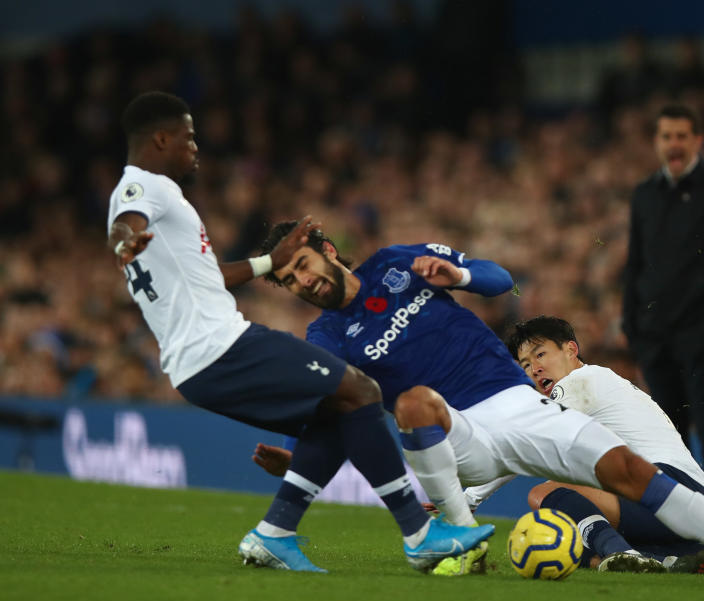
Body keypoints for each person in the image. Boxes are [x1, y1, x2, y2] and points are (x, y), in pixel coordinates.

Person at [252, 221, 704, 587]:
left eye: (302, 266)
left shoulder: (396, 263)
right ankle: (459, 540)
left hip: (523, 407)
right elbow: (341, 410)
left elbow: (499, 279)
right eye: (287, 282)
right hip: (460, 434)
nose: (302, 283)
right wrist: (301, 456)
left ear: (326, 249)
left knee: (633, 471)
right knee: (415, 402)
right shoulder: (326, 338)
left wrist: (458, 272)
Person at [106, 91, 493, 574]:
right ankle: (419, 535)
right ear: (160, 138)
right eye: (188, 137)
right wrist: (125, 238)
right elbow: (127, 221)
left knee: (337, 411)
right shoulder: (146, 188)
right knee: (361, 389)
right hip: (222, 346)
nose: (194, 147)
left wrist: (272, 260)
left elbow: (206, 276)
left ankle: (275, 534)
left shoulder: (148, 194)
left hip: (195, 364)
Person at [494, 315, 704, 574]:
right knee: (569, 538)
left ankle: (620, 551)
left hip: (668, 486)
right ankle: (672, 558)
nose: (534, 369)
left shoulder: (579, 382)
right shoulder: (601, 385)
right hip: (690, 505)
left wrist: (470, 497)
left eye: (540, 354)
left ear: (571, 349)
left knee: (544, 495)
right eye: (525, 364)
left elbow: (523, 448)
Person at [621, 103, 704, 481]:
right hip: (655, 339)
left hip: (703, 337)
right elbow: (635, 261)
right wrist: (632, 325)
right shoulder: (644, 194)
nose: (674, 144)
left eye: (681, 136)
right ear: (656, 142)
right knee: (667, 440)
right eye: (666, 136)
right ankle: (678, 528)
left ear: (697, 140)